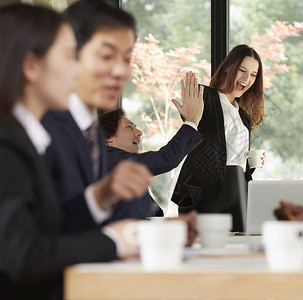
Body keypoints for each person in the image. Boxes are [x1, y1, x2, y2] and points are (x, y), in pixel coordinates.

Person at [0, 4, 145, 299]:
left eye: (127, 58)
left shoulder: (31, 137)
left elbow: (48, 228)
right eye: (69, 57)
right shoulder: (11, 143)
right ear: (31, 66)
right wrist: (113, 241)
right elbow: (24, 254)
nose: (76, 69)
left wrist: (102, 196)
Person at [41, 0, 195, 233]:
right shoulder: (39, 131)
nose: (121, 71)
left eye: (125, 58)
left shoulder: (90, 139)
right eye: (106, 56)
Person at [172, 44, 265, 232]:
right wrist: (190, 117)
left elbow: (230, 153)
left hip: (239, 188)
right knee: (202, 251)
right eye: (242, 70)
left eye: (253, 75)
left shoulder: (243, 116)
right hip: (206, 191)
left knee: (241, 250)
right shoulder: (205, 97)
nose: (247, 79)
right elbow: (193, 125)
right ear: (229, 67)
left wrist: (250, 164)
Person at [98, 71, 204, 220]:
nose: (139, 132)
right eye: (129, 127)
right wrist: (192, 120)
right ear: (108, 138)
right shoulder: (111, 159)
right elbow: (167, 158)